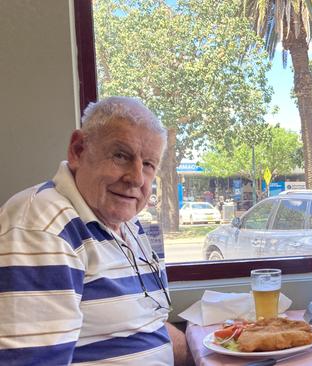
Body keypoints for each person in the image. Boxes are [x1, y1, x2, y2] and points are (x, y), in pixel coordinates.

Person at [0, 97, 189, 365]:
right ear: (78, 150)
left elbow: (147, 325)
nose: (136, 178)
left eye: (148, 164)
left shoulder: (128, 224)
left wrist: (217, 345)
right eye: (121, 156)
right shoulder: (42, 227)